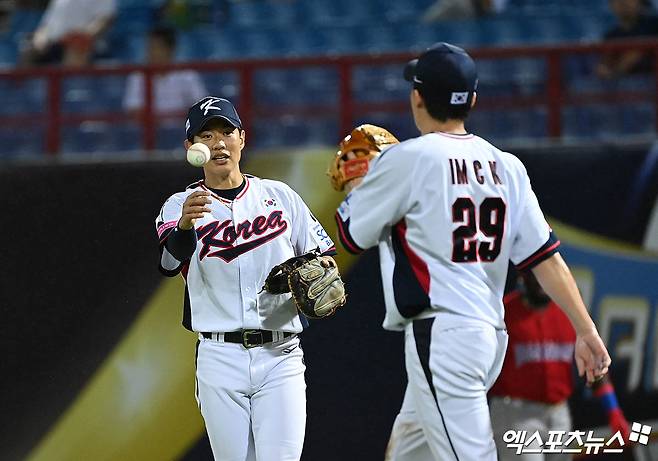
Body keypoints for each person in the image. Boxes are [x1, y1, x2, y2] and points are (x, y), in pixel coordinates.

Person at [334, 42, 612, 461]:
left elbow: (353, 237)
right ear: (473, 100)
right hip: (487, 336)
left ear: (417, 97)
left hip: (443, 335)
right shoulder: (506, 165)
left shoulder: (408, 158)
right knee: (410, 451)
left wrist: (360, 185)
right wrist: (586, 330)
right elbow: (546, 259)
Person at [155, 96, 337, 461]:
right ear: (191, 148)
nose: (218, 143)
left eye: (226, 132)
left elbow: (323, 256)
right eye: (206, 135)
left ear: (242, 138)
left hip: (281, 355)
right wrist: (187, 225)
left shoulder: (279, 196)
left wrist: (318, 274)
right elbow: (169, 262)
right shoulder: (180, 205)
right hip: (220, 356)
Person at [489, 271, 630, 460]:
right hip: (516, 413)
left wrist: (613, 410)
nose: (540, 282)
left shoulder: (569, 313)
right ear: (523, 277)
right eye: (534, 275)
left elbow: (595, 364)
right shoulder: (503, 312)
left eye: (545, 275)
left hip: (558, 412)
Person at [123, 26, 207, 116]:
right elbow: (132, 109)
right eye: (149, 48)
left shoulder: (187, 75)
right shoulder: (137, 76)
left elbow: (202, 108)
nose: (152, 53)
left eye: (157, 48)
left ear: (171, 50)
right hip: (150, 129)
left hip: (182, 128)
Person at [20, 0, 116, 67]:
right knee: (29, 48)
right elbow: (45, 26)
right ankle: (22, 91)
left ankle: (72, 92)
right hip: (54, 43)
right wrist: (39, 39)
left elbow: (103, 20)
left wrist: (83, 35)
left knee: (77, 45)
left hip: (84, 44)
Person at [596, 0, 658, 79]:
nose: (623, 2)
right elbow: (605, 64)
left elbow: (636, 55)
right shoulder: (610, 36)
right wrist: (603, 69)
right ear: (610, 5)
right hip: (623, 86)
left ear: (640, 2)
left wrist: (616, 71)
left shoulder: (654, 25)